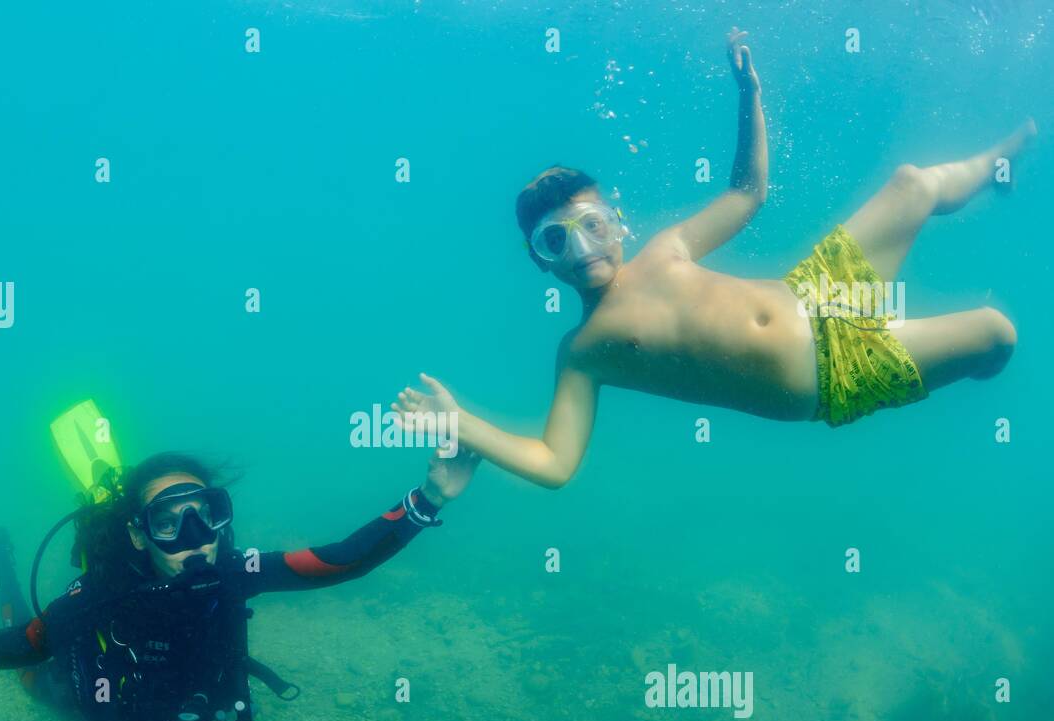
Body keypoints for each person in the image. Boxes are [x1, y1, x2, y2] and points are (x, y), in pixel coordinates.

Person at [393, 28, 1032, 488]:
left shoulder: (667, 247)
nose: (583, 246)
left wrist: (747, 94)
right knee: (997, 335)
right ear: (542, 263)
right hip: (833, 376)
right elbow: (555, 464)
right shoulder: (583, 351)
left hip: (816, 292)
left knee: (914, 184)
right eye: (557, 241)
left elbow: (746, 194)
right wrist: (464, 426)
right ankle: (919, 351)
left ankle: (989, 169)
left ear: (616, 223)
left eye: (590, 224)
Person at [0, 412, 477, 721]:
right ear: (138, 536)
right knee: (35, 688)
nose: (193, 535)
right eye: (166, 520)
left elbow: (340, 560)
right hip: (106, 689)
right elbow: (32, 642)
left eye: (203, 513)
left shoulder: (233, 571)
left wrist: (428, 500)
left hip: (186, 699)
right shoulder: (105, 589)